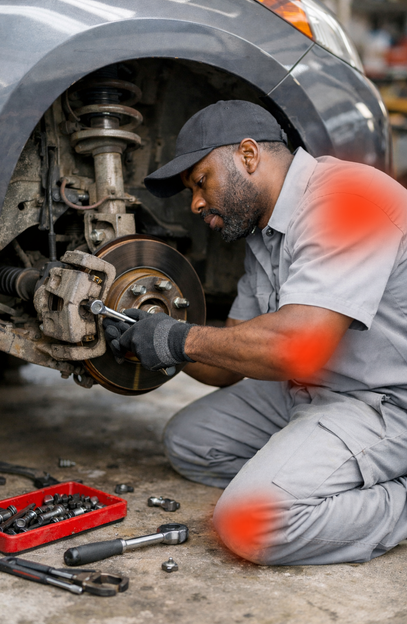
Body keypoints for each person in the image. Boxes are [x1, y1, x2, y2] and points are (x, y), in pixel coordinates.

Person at [104, 100, 407, 566]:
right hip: (313, 390)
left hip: (387, 402)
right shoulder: (264, 236)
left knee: (250, 523)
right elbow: (228, 365)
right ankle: (317, 467)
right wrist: (143, 338)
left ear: (248, 155)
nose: (196, 203)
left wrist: (176, 339)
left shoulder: (349, 197)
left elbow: (293, 346)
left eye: (201, 181)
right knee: (190, 443)